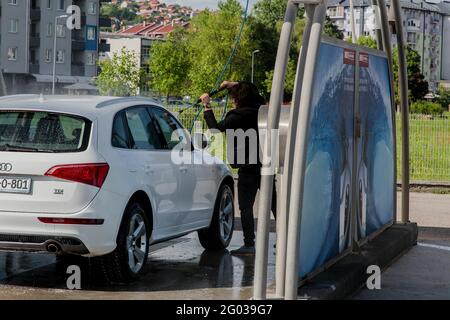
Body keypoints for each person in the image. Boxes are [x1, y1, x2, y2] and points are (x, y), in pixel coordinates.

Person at [200, 81, 277, 256]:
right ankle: (285, 240)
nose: (232, 100)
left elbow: (215, 130)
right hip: (266, 164)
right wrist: (231, 84)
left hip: (248, 168)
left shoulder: (237, 116)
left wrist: (207, 106)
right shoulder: (262, 110)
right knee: (274, 205)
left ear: (239, 99)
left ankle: (249, 244)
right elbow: (253, 88)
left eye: (234, 97)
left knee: (246, 207)